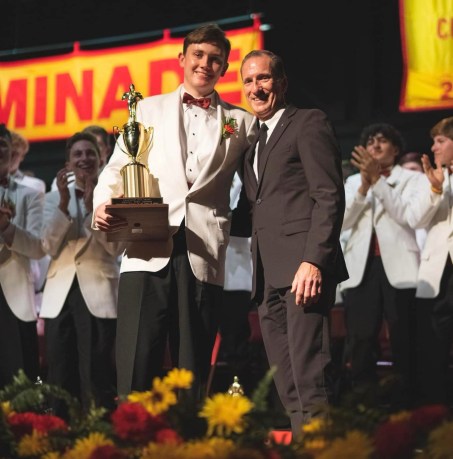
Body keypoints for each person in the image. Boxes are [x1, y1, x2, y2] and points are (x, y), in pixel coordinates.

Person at [93, 24, 256, 398]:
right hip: (144, 246)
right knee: (135, 361)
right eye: (198, 55)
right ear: (182, 59)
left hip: (203, 251)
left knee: (192, 366)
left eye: (215, 59)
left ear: (224, 68)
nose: (205, 64)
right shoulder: (146, 108)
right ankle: (133, 447)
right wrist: (101, 203)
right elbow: (119, 166)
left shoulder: (242, 122)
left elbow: (256, 183)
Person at [234, 50, 348, 438]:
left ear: (281, 83)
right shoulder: (251, 140)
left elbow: (329, 195)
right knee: (287, 384)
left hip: (303, 272)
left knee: (310, 377)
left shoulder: (308, 123)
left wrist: (314, 261)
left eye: (263, 79)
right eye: (248, 81)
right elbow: (252, 210)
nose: (255, 88)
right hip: (266, 279)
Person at [39, 132, 122, 414]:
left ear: (101, 160)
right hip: (58, 297)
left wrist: (91, 208)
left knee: (95, 373)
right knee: (59, 372)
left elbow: (115, 248)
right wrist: (63, 205)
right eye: (77, 154)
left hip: (98, 293)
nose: (84, 158)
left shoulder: (112, 198)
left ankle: (97, 443)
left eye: (90, 153)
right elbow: (47, 247)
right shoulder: (51, 199)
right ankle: (57, 439)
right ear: (67, 163)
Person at [340, 123, 421, 406]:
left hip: (400, 268)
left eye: (382, 141)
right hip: (362, 270)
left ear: (395, 149)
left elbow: (408, 216)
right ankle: (364, 405)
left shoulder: (413, 179)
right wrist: (363, 185)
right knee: (360, 339)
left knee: (403, 337)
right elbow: (343, 221)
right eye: (370, 141)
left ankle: (407, 404)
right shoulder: (351, 183)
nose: (374, 146)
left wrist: (379, 182)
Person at [411, 116, 453, 405]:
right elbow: (415, 219)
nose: (434, 147)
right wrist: (436, 190)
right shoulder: (431, 179)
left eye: (441, 141)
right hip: (440, 271)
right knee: (437, 346)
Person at [0, 124, 45, 389]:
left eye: (2, 144)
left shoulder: (30, 194)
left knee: (20, 389)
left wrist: (7, 228)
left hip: (16, 301)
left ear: (11, 149)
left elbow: (39, 247)